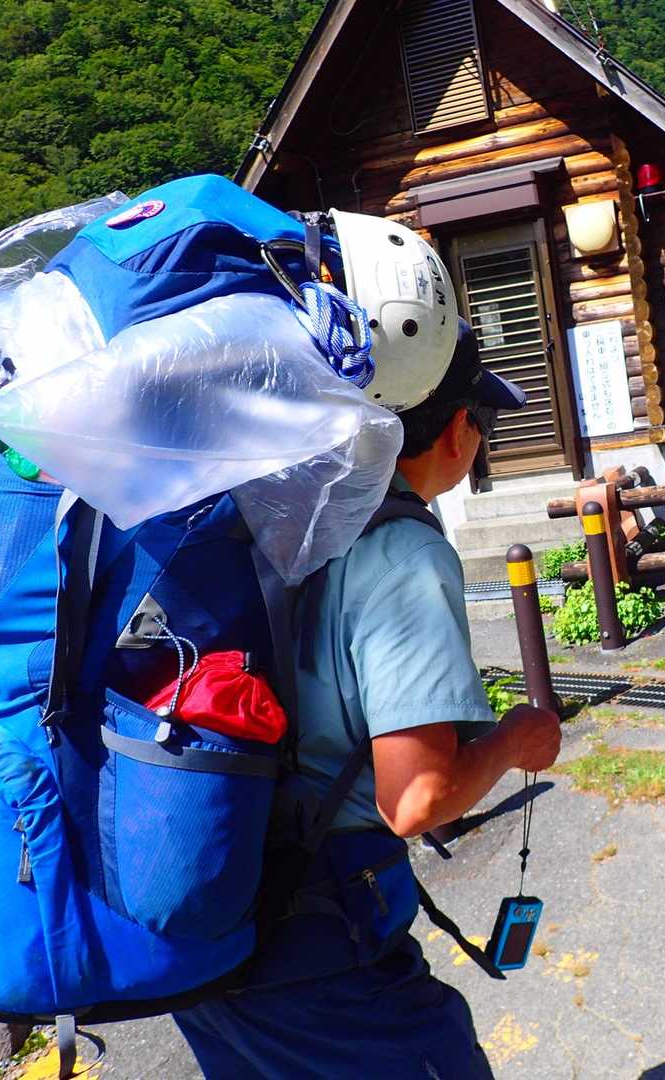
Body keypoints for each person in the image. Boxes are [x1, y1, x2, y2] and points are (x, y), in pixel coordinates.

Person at [172, 320, 563, 1079]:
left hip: (205, 895)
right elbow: (416, 800)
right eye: (481, 420)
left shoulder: (286, 512)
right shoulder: (405, 551)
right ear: (457, 430)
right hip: (317, 941)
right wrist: (516, 740)